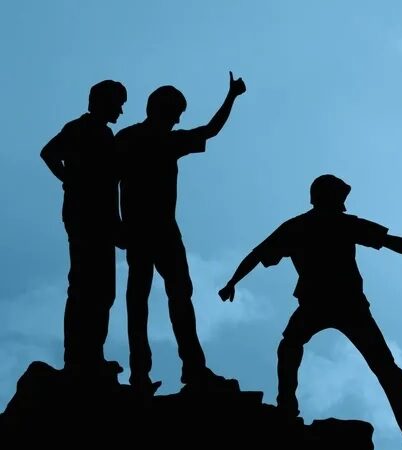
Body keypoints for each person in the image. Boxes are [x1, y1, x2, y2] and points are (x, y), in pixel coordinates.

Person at [218, 174, 402, 450]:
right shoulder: (331, 224)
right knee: (381, 370)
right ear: (330, 197)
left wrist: (232, 281)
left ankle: (288, 409)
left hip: (335, 304)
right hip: (337, 303)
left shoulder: (302, 226)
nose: (344, 202)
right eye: (340, 196)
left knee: (294, 347)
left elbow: (258, 254)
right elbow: (393, 243)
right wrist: (232, 281)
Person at [116, 72, 247, 393]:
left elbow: (209, 131)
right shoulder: (137, 140)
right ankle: (147, 374)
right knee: (144, 299)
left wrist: (231, 97)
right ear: (163, 110)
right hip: (144, 231)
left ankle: (184, 369)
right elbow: (106, 182)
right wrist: (115, 225)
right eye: (176, 114)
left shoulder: (147, 139)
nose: (177, 121)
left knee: (168, 297)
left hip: (160, 232)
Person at [40, 79, 128, 382]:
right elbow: (48, 153)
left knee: (102, 290)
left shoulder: (105, 134)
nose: (121, 110)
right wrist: (70, 181)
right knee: (84, 286)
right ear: (103, 102)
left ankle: (92, 354)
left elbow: (109, 185)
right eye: (118, 103)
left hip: (102, 219)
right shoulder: (80, 129)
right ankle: (78, 358)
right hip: (85, 217)